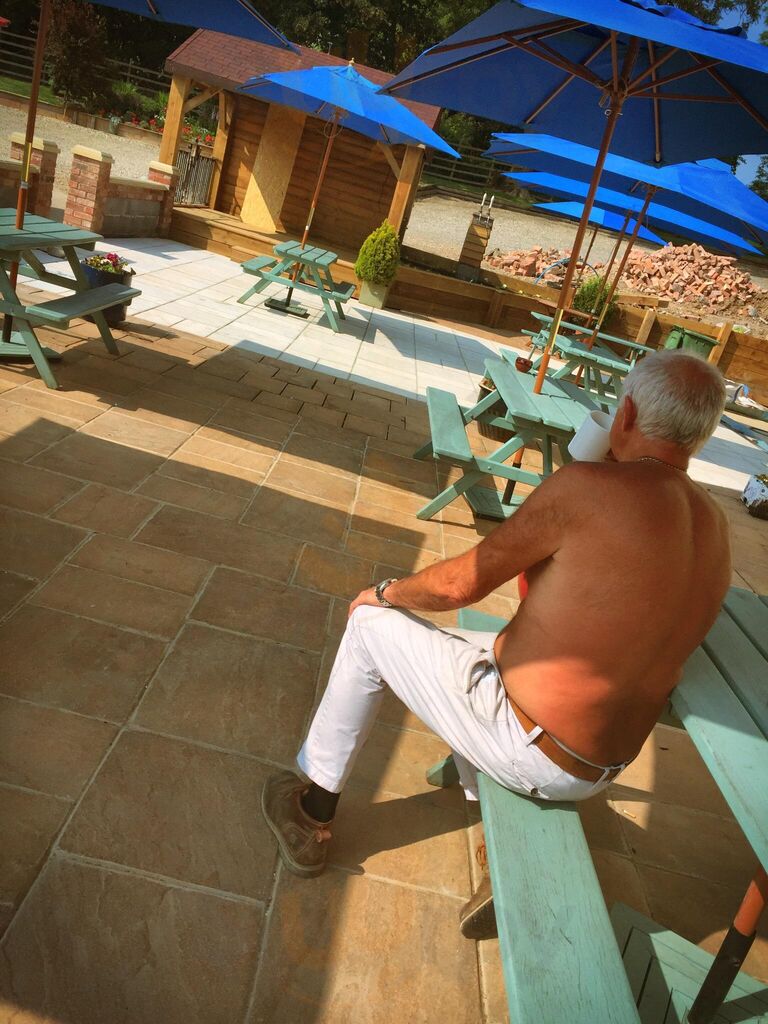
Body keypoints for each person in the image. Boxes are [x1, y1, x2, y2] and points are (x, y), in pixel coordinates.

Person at [261, 350, 731, 935]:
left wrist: (384, 592)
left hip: (534, 744)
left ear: (627, 412)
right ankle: (495, 855)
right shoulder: (715, 524)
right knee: (468, 658)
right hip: (604, 762)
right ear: (701, 436)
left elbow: (460, 584)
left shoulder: (589, 488)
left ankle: (311, 812)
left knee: (370, 627)